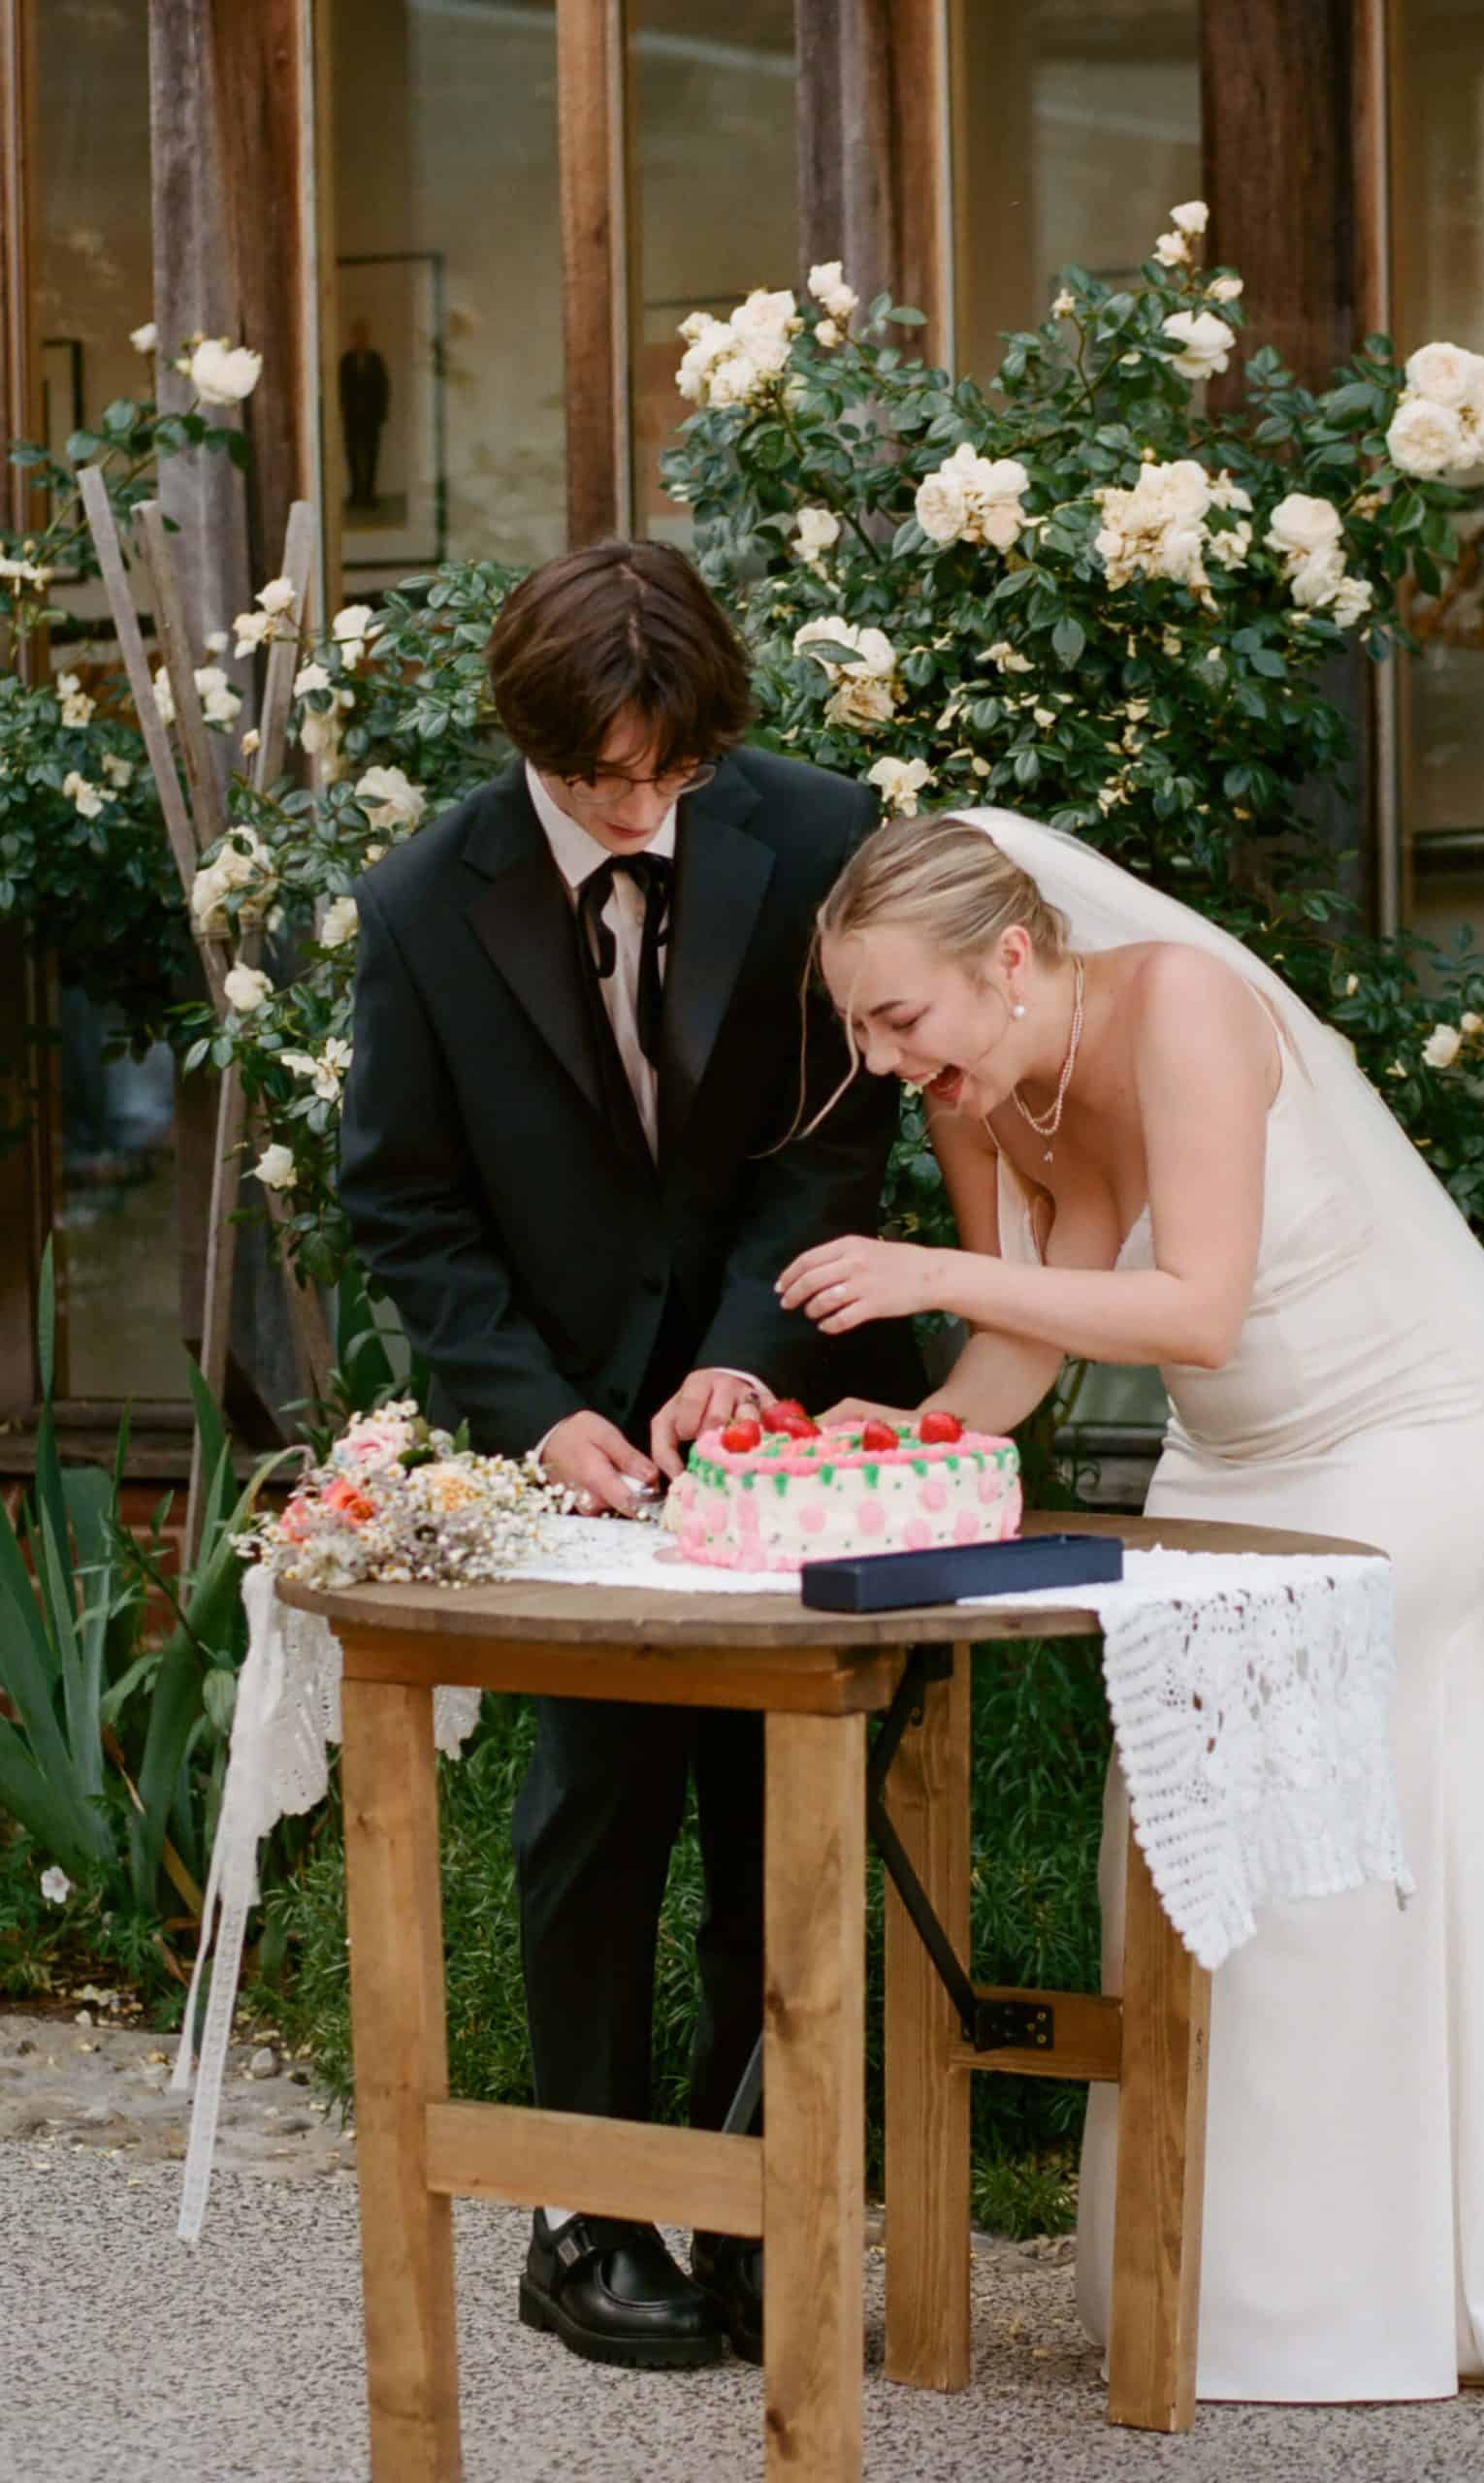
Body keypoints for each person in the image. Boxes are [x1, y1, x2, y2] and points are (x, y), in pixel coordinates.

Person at [777, 806, 1484, 2431]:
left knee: (1303, 1807)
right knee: (1180, 1827)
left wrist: (936, 1281)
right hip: (1231, 1469)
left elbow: (1193, 1304)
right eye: (856, 1029)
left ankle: (1384, 2292)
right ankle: (1207, 2291)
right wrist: (879, 1445)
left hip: (1404, 1446)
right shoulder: (984, 1096)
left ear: (1012, 959)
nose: (886, 1063)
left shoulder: (1179, 1000)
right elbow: (1021, 1361)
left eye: (899, 1020)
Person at [338, 540, 921, 2373]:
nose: (640, 804)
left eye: (669, 772)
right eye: (602, 777)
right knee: (591, 1813)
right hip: (566, 1426)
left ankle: (764, 2194)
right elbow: (407, 1205)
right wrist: (538, 1411)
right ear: (529, 742)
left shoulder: (816, 830)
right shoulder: (426, 898)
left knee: (786, 1812)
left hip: (798, 1399)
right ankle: (591, 2214)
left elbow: (836, 1145)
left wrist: (745, 1362)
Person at [339, 317, 389, 510]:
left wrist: (382, 413)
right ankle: (355, 495)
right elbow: (341, 389)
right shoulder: (346, 361)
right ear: (353, 337)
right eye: (357, 334)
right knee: (352, 456)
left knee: (371, 456)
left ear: (367, 337)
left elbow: (383, 388)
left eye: (363, 334)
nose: (360, 338)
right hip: (352, 418)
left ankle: (369, 495)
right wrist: (343, 410)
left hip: (372, 418)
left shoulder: (376, 360)